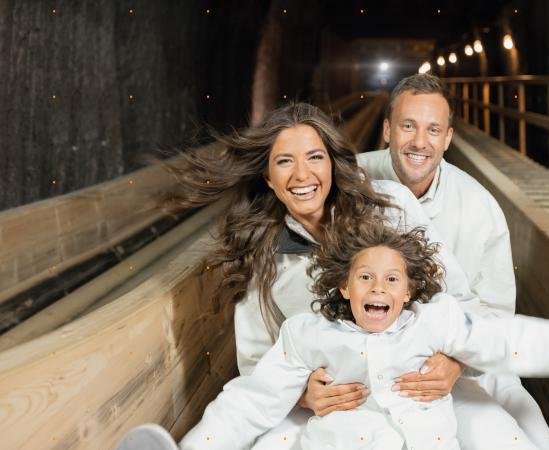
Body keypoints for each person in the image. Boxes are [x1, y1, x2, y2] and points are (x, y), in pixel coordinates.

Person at [157, 102, 524, 448]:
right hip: (335, 403)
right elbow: (258, 362)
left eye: (315, 157)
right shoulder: (264, 252)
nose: (302, 175)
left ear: (332, 163)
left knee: (504, 437)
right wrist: (303, 394)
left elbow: (458, 299)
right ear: (268, 177)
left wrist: (455, 363)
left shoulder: (391, 205)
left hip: (422, 385)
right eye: (285, 161)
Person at [174, 222, 549, 449]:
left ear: (411, 289)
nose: (378, 287)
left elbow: (504, 340)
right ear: (343, 286)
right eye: (366, 278)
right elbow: (251, 399)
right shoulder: (308, 333)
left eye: (393, 280)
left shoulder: (434, 322)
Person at [357, 73, 549, 448]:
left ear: (448, 139)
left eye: (434, 130)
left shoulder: (480, 208)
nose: (420, 142)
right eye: (407, 126)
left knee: (529, 429)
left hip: (465, 361)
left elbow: (496, 313)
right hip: (376, 361)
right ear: (386, 129)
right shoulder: (350, 182)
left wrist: (458, 362)